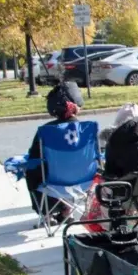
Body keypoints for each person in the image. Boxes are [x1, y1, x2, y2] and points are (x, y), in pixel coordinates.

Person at [25, 81, 84, 217]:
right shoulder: (86, 129)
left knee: (34, 172)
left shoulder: (46, 131)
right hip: (83, 179)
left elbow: (34, 156)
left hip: (53, 180)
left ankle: (47, 213)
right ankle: (67, 211)